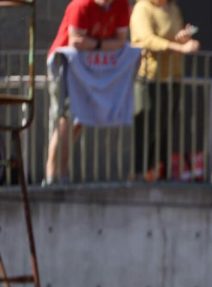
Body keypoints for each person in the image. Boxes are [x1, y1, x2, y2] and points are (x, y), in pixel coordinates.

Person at [44, 0, 132, 185]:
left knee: (79, 120)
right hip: (65, 68)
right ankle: (52, 175)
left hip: (89, 69)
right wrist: (104, 44)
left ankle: (63, 172)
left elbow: (121, 40)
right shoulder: (80, 5)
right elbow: (76, 40)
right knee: (64, 119)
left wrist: (95, 44)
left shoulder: (121, 5)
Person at [130, 0, 200, 182]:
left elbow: (172, 37)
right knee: (146, 127)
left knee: (165, 128)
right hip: (150, 78)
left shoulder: (173, 8)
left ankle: (158, 173)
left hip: (172, 77)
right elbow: (145, 39)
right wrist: (180, 47)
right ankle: (140, 174)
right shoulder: (143, 8)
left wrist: (183, 38)